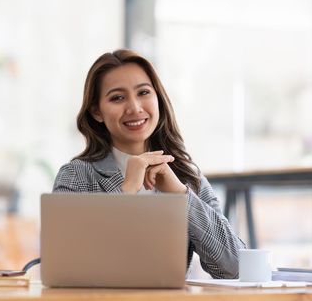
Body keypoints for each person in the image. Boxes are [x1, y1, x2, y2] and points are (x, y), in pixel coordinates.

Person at [53, 49, 245, 279]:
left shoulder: (186, 177)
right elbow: (69, 268)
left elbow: (235, 268)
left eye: (143, 92)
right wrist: (126, 191)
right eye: (117, 97)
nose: (134, 108)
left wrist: (180, 195)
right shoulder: (76, 176)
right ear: (96, 111)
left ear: (158, 99)